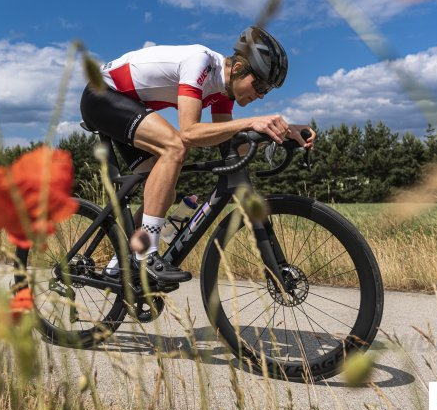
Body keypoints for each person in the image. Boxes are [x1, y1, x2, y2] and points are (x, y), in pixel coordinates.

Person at [79, 26, 314, 284]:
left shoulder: (224, 92)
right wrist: (252, 122)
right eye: (258, 84)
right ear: (237, 69)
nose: (259, 95)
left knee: (163, 187)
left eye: (266, 90)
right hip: (102, 95)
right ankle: (145, 255)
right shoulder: (200, 62)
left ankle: (123, 261)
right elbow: (189, 132)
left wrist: (284, 132)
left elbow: (233, 143)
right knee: (175, 147)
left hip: (130, 105)